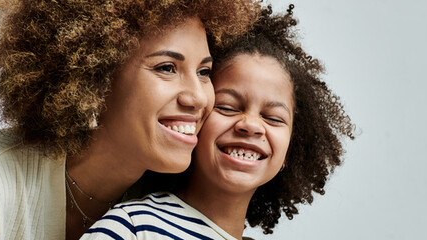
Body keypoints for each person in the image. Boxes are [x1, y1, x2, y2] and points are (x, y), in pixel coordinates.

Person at [0, 0, 261, 239]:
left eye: (204, 71)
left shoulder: (164, 199)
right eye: (167, 68)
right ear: (95, 76)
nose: (198, 98)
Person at [82, 5, 355, 239]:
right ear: (197, 121)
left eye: (272, 118)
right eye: (227, 107)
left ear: (290, 150)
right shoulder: (131, 227)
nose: (251, 125)